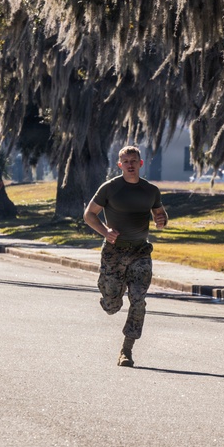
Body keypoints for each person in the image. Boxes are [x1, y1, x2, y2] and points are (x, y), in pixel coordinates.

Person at [83, 145, 168, 368]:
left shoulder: (151, 190)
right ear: (120, 165)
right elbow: (89, 214)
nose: (130, 165)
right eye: (126, 161)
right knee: (112, 306)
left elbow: (160, 213)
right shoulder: (110, 188)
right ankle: (111, 293)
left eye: (134, 160)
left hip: (140, 252)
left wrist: (161, 220)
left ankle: (126, 350)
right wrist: (105, 232)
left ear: (141, 163)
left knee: (138, 300)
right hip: (114, 252)